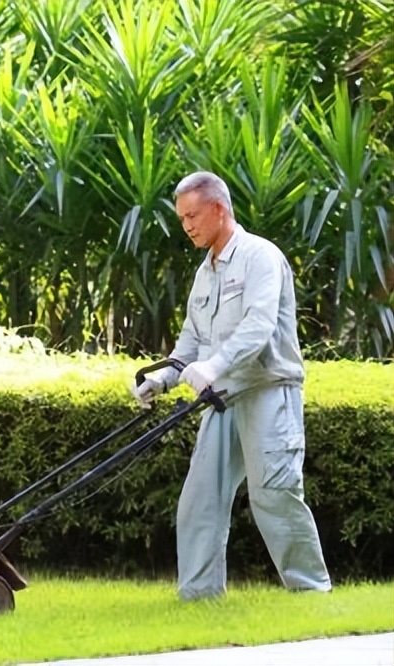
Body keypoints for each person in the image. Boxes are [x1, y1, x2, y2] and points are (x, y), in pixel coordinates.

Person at [131, 171, 332, 601]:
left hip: (268, 391)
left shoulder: (261, 257)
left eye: (192, 216)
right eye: (181, 218)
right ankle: (199, 597)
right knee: (200, 498)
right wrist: (163, 378)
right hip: (222, 399)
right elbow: (191, 340)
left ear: (219, 209)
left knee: (274, 493)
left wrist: (215, 365)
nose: (186, 226)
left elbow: (259, 325)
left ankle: (311, 592)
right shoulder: (205, 273)